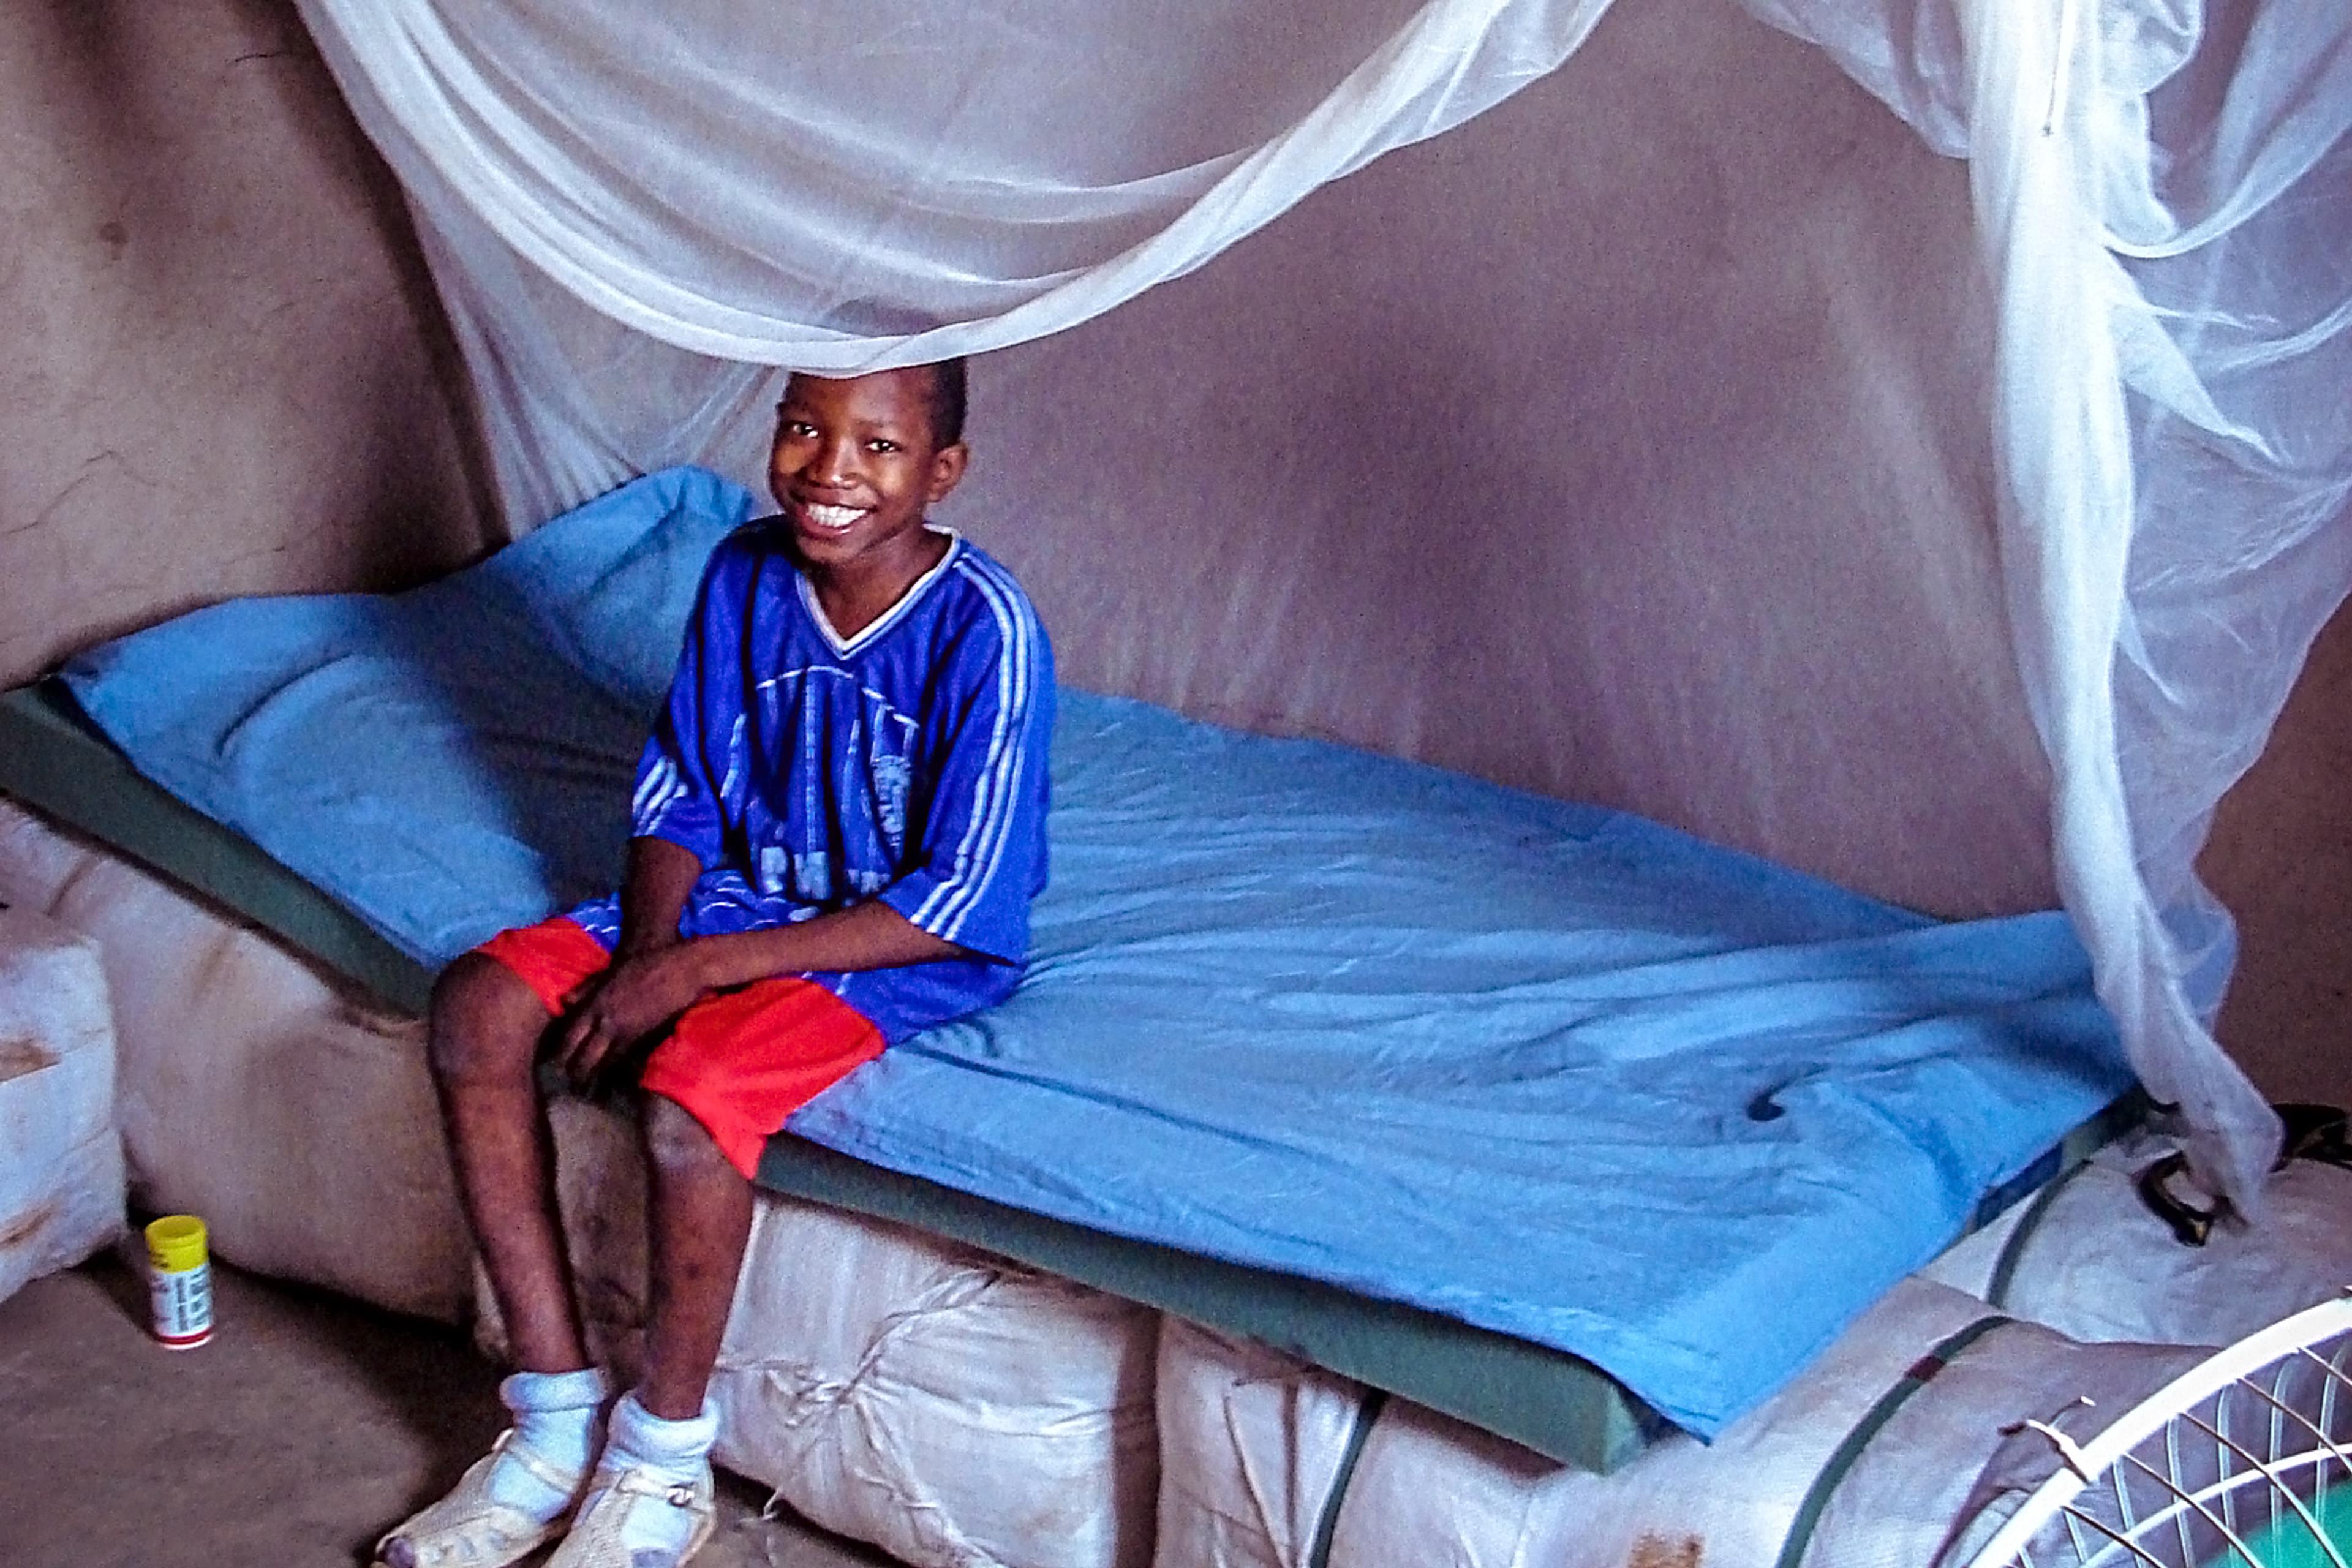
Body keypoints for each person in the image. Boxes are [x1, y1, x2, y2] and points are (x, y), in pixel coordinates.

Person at [377, 360, 1054, 1568]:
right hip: (747, 890)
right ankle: (548, 1418)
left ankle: (662, 1459)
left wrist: (693, 978)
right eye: (804, 427)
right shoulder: (746, 571)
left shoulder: (986, 627)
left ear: (942, 472)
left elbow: (960, 893)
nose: (830, 469)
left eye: (879, 447)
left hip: (900, 942)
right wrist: (646, 953)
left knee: (692, 1102)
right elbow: (685, 788)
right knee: (479, 1006)